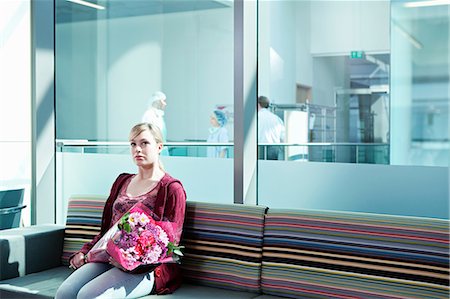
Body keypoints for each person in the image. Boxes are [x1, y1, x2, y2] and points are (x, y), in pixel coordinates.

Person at [55, 123, 187, 299]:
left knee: (88, 296)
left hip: (146, 269)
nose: (137, 149)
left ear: (159, 147)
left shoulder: (171, 188)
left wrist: (130, 261)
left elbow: (169, 244)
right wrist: (85, 251)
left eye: (144, 143)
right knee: (65, 293)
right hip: (107, 257)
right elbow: (108, 231)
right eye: (133, 144)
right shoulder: (122, 181)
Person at [257, 96, 285, 160]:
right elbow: (283, 137)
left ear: (258, 104)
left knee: (260, 168)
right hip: (274, 149)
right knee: (271, 168)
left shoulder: (256, 118)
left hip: (260, 149)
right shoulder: (277, 118)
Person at [142, 91, 169, 156]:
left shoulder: (159, 116)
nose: (165, 104)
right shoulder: (149, 115)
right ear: (157, 101)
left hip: (161, 149)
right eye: (163, 101)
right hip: (153, 150)